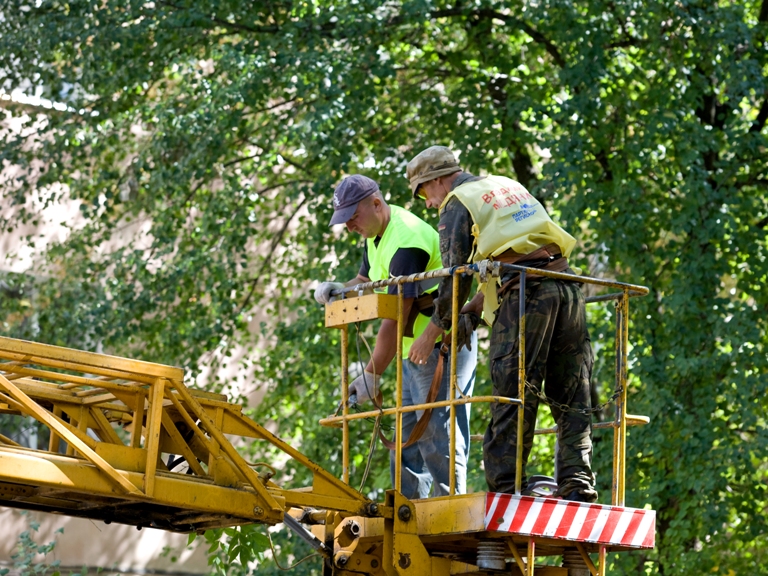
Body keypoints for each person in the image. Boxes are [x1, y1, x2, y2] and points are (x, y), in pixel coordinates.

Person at [406, 147, 597, 502]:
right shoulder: (504, 185)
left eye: (422, 193)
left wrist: (432, 332)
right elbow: (520, 251)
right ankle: (578, 484)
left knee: (512, 392)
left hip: (527, 295)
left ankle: (506, 492)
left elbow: (455, 278)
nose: (428, 204)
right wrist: (475, 308)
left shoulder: (456, 202)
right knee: (573, 395)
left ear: (436, 180)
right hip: (566, 287)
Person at [314, 174, 477, 499]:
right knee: (405, 441)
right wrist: (339, 290)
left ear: (376, 204)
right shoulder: (377, 235)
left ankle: (448, 509)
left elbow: (394, 318)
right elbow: (364, 278)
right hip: (410, 353)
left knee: (436, 434)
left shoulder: (406, 241)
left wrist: (371, 373)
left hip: (437, 346)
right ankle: (406, 514)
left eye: (352, 217)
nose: (349, 227)